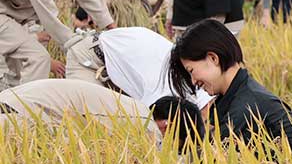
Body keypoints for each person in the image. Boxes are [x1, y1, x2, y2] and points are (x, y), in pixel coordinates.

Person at [168, 19, 292, 155]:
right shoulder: (238, 96)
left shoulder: (245, 108)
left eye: (191, 71)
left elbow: (211, 163)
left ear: (213, 58)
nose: (193, 82)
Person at [65, 26, 212, 109]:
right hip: (89, 59)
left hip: (123, 63)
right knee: (92, 123)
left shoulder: (197, 79)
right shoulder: (168, 87)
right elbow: (148, 118)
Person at [0, 78, 159, 142]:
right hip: (16, 116)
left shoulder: (132, 106)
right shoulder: (146, 124)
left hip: (11, 102)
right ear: (167, 124)